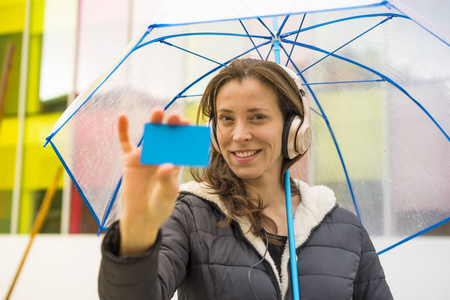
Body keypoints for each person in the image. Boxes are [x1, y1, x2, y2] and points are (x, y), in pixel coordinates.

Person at [98, 58, 393, 300]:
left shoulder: (346, 229)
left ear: (293, 129)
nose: (239, 135)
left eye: (257, 117)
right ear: (214, 130)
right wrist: (136, 231)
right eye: (227, 118)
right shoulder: (189, 216)